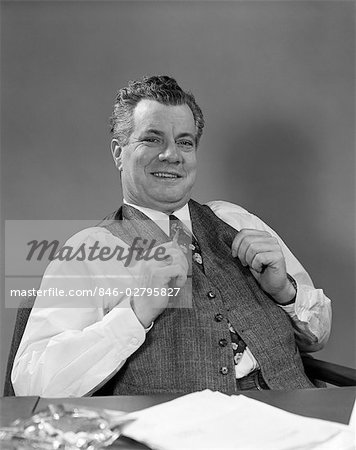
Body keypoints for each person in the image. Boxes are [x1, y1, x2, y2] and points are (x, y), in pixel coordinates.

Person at [12, 75, 331, 397]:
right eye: (152, 139)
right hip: (175, 434)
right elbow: (34, 383)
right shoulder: (90, 250)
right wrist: (135, 312)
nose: (171, 155)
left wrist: (285, 293)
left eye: (185, 141)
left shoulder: (235, 220)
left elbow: (316, 337)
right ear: (119, 153)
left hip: (295, 411)